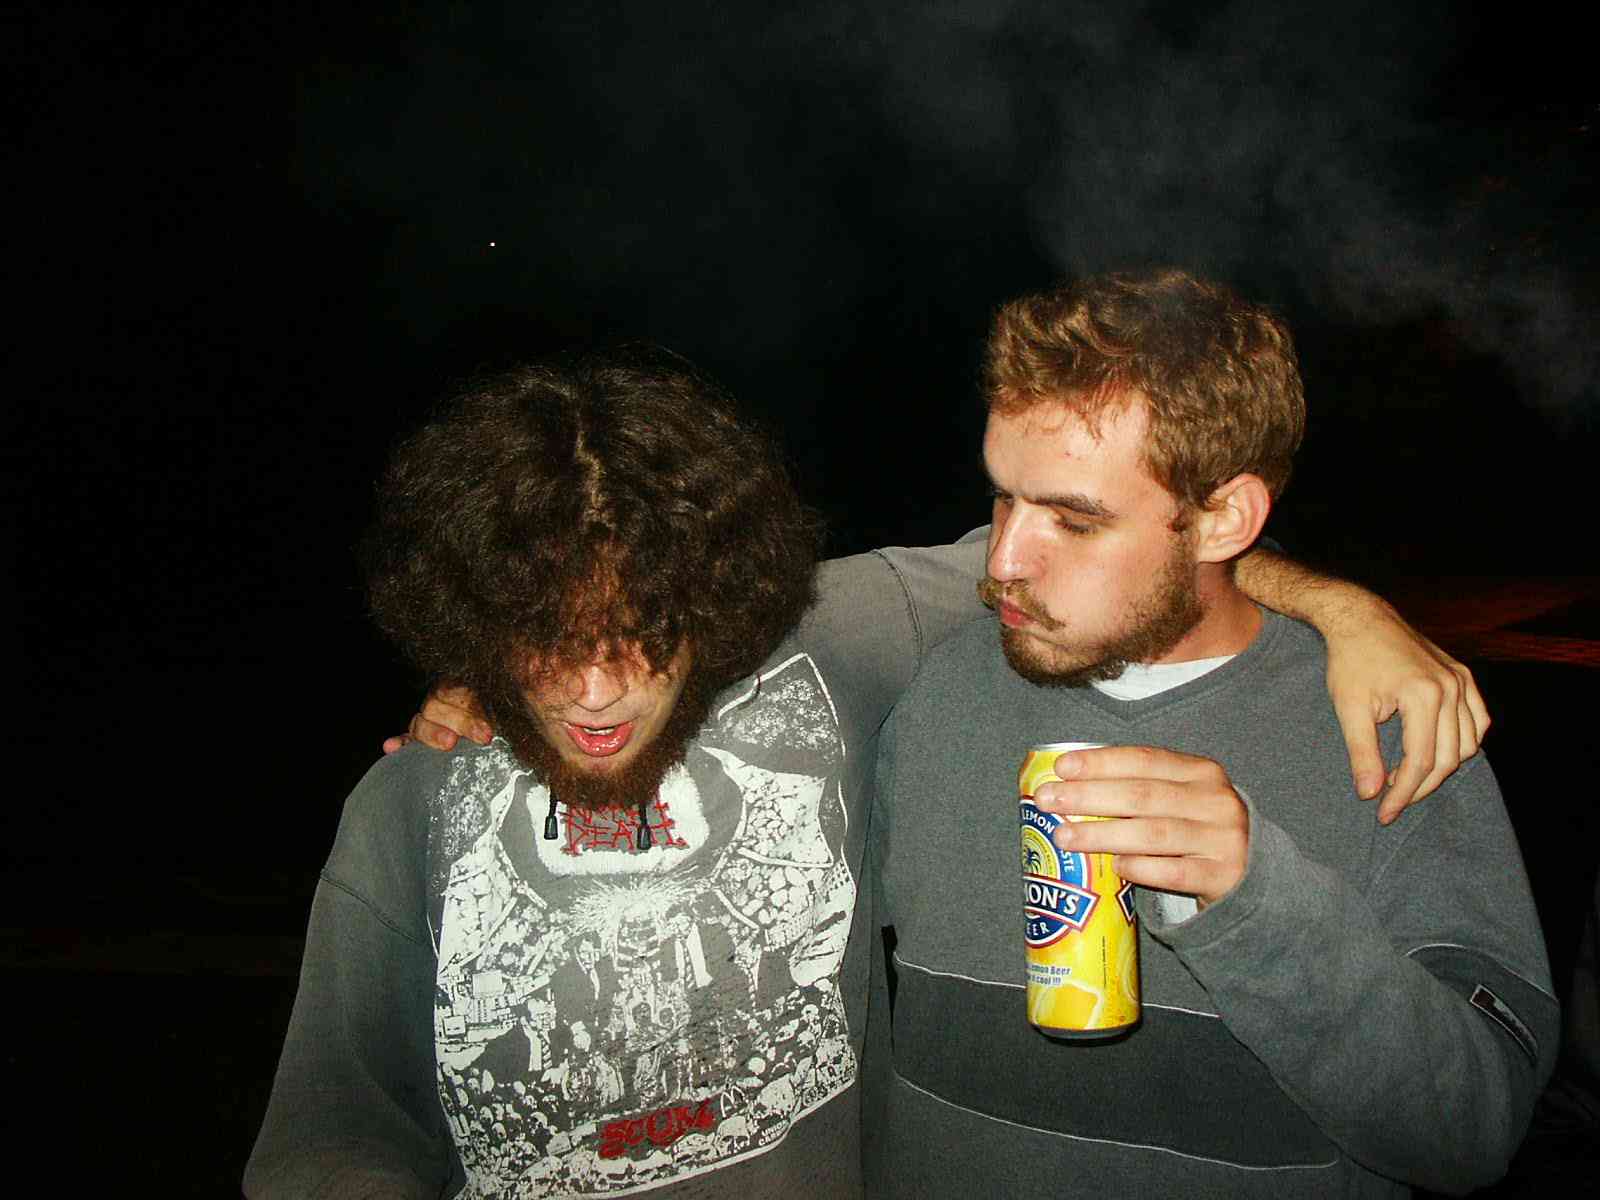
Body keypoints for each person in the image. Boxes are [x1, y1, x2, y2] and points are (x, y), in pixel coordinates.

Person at [246, 344, 1487, 1199]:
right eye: (540, 641)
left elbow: (1123, 543)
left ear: (710, 594)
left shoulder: (832, 642)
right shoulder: (412, 799)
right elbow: (335, 1131)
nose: (593, 690)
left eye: (639, 634)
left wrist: (1349, 610)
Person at [866, 269, 1556, 1197]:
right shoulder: (941, 690)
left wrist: (1257, 901)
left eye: (1075, 521)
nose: (1004, 560)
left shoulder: (1387, 727)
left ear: (1225, 519)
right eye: (1002, 498)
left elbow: (1473, 1131)